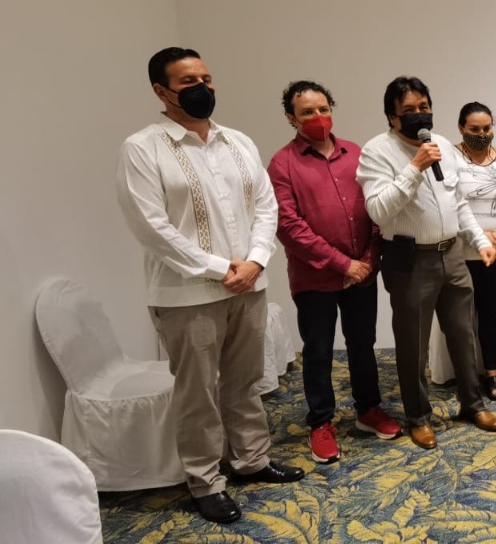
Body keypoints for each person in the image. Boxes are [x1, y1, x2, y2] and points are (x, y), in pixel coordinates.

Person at [116, 47, 302, 524]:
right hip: (187, 295)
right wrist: (222, 268)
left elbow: (266, 207)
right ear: (161, 91)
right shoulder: (143, 147)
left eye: (206, 78)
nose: (203, 88)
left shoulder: (237, 141)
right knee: (197, 393)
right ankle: (205, 481)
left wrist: (256, 260)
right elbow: (152, 227)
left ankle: (251, 460)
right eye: (188, 81)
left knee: (246, 381)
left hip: (249, 285)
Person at [357, 76, 496, 451]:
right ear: (392, 117)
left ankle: (473, 404)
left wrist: (479, 240)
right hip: (409, 258)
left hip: (452, 253)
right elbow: (378, 210)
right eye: (408, 110)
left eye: (424, 107)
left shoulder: (442, 146)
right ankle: (418, 417)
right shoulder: (376, 151)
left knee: (463, 334)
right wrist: (414, 168)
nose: (419, 115)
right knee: (413, 343)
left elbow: (458, 203)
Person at [267, 80, 402, 465]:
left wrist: (368, 259)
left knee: (362, 343)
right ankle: (321, 421)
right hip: (315, 278)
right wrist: (343, 264)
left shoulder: (355, 153)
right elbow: (288, 226)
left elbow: (375, 209)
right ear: (291, 117)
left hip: (363, 271)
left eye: (323, 109)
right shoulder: (282, 164)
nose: (318, 117)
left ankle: (367, 409)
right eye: (307, 112)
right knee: (319, 350)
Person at [454, 102, 496, 400]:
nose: (482, 134)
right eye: (474, 129)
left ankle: (492, 371)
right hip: (461, 251)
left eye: (487, 128)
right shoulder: (450, 158)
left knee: (490, 312)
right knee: (461, 317)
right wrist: (479, 237)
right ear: (461, 128)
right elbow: (449, 204)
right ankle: (466, 375)